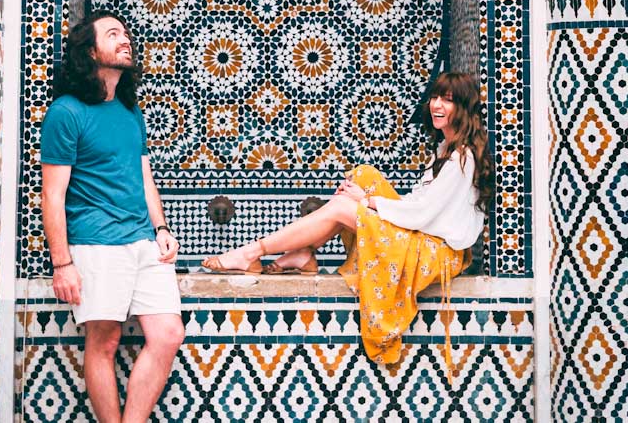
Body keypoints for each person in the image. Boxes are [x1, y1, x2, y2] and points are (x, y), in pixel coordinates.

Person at [202, 72, 493, 382]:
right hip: (423, 238)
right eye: (435, 97)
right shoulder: (445, 150)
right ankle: (303, 253)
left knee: (346, 205)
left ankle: (251, 253)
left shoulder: (462, 159)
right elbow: (418, 206)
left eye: (447, 100)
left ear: (462, 107)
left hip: (436, 253)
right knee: (363, 175)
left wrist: (366, 202)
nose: (436, 105)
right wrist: (366, 195)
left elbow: (422, 214)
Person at [41, 10, 184, 422]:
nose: (125, 41)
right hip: (95, 243)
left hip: (142, 241)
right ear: (90, 51)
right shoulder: (66, 113)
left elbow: (143, 178)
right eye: (113, 34)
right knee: (104, 342)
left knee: (168, 334)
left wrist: (161, 228)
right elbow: (53, 196)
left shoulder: (128, 111)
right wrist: (62, 263)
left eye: (125, 34)